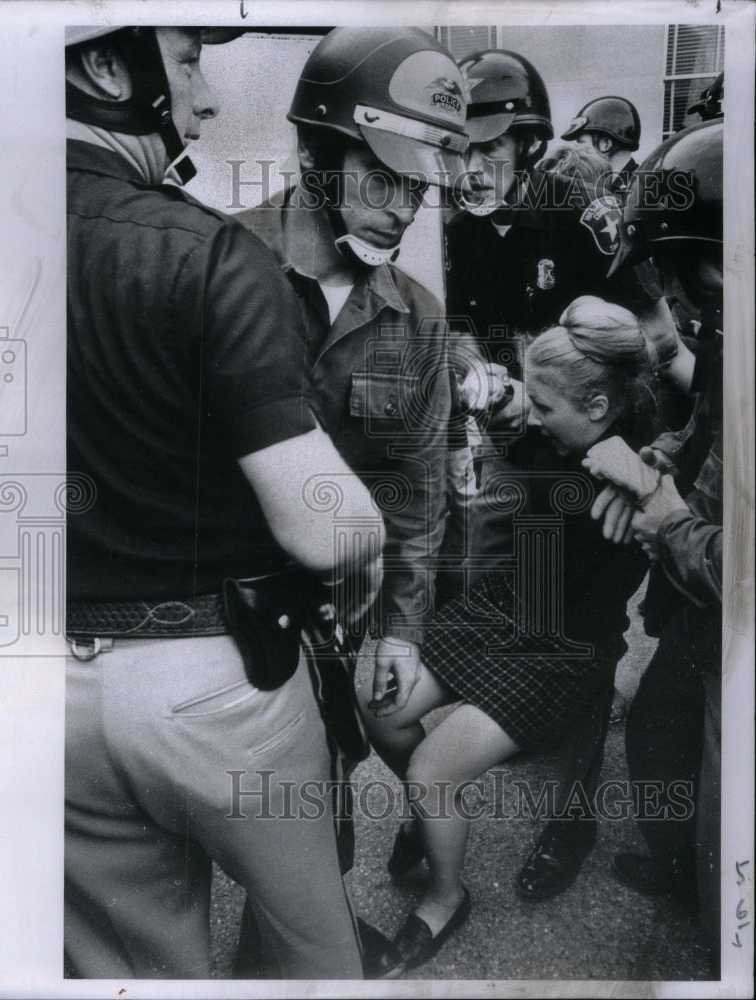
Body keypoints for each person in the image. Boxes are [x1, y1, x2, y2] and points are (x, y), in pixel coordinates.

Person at [63, 25, 385, 979]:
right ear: (106, 66)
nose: (203, 98)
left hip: (33, 681)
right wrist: (365, 547)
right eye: (190, 60)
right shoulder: (203, 250)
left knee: (137, 968)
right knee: (312, 950)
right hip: (213, 683)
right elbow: (325, 524)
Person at [234, 26, 468, 976]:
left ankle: (296, 947)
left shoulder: (414, 314)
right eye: (384, 179)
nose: (404, 208)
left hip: (340, 615)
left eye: (416, 187)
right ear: (311, 158)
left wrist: (402, 631)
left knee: (327, 801)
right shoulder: (215, 268)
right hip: (219, 616)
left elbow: (414, 493)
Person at [363, 296, 656, 977]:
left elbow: (600, 588)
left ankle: (444, 898)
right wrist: (481, 381)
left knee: (433, 769)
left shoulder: (629, 480)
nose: (532, 414)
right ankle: (426, 815)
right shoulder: (555, 430)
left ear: (596, 407)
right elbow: (478, 380)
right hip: (503, 603)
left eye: (545, 405)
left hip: (563, 646)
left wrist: (642, 493)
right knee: (380, 703)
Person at [442, 48, 668, 903]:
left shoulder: (579, 213)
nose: (468, 171)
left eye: (487, 151)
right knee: (524, 612)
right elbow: (452, 322)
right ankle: (482, 768)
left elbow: (652, 344)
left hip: (599, 460)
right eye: (457, 151)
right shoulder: (449, 221)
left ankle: (571, 816)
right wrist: (473, 369)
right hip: (513, 447)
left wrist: (630, 459)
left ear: (531, 143)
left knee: (590, 634)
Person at [592, 119, 723, 971]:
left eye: (673, 276)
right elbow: (702, 429)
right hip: (703, 591)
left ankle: (715, 913)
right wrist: (658, 460)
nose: (667, 302)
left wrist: (668, 520)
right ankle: (684, 866)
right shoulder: (727, 335)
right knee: (663, 719)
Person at [560, 95, 642, 193]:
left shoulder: (643, 191)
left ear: (606, 144)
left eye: (581, 143)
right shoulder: (639, 184)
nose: (577, 151)